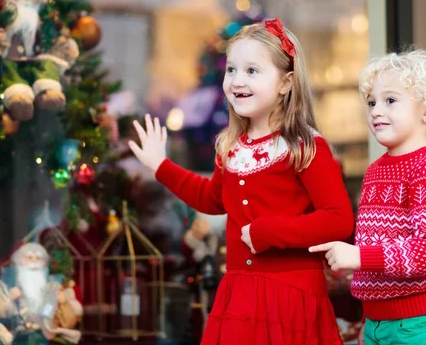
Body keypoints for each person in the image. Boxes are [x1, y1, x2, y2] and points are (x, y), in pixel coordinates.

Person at [128, 18, 354, 344]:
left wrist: (268, 232)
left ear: (286, 83)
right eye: (231, 70)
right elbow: (212, 199)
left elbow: (338, 220)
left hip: (290, 296)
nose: (237, 80)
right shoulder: (231, 146)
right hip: (240, 295)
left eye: (252, 70)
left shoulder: (305, 146)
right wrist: (161, 166)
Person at [310, 49, 426, 345]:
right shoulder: (374, 171)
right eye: (371, 102)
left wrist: (359, 256)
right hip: (376, 324)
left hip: (418, 326)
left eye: (390, 100)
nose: (375, 111)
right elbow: (376, 255)